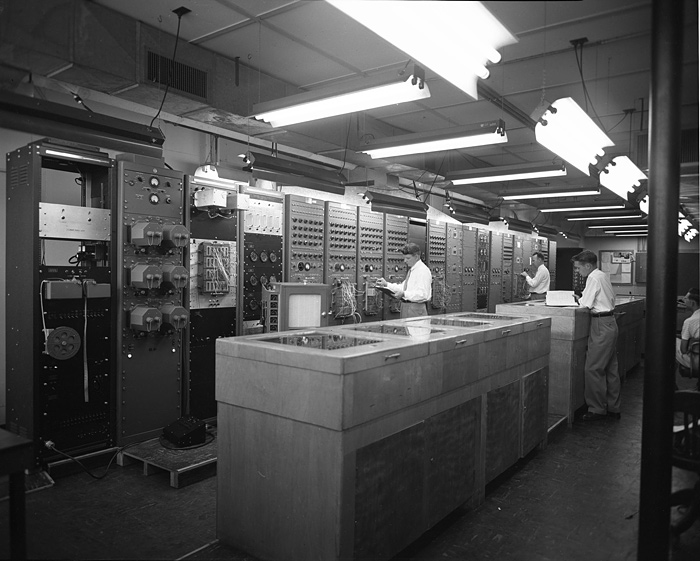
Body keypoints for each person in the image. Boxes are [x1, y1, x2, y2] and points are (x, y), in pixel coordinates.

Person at [571, 250, 621, 421]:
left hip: (600, 325)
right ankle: (613, 407)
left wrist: (578, 299)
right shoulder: (602, 275)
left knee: (593, 368)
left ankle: (597, 409)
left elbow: (586, 304)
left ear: (587, 265)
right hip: (610, 322)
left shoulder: (592, 277)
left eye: (579, 268)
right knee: (610, 368)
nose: (578, 272)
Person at [377, 243, 432, 319]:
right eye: (404, 258)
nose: (405, 261)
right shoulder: (413, 270)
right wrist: (386, 284)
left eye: (408, 258)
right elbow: (403, 288)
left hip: (416, 308)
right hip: (406, 307)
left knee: (417, 330)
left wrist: (404, 294)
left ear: (416, 257)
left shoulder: (423, 271)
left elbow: (423, 295)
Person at [676, 287, 700, 371]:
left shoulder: (689, 322)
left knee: (670, 342)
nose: (683, 299)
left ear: (692, 303)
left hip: (695, 361)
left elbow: (683, 350)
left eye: (686, 298)